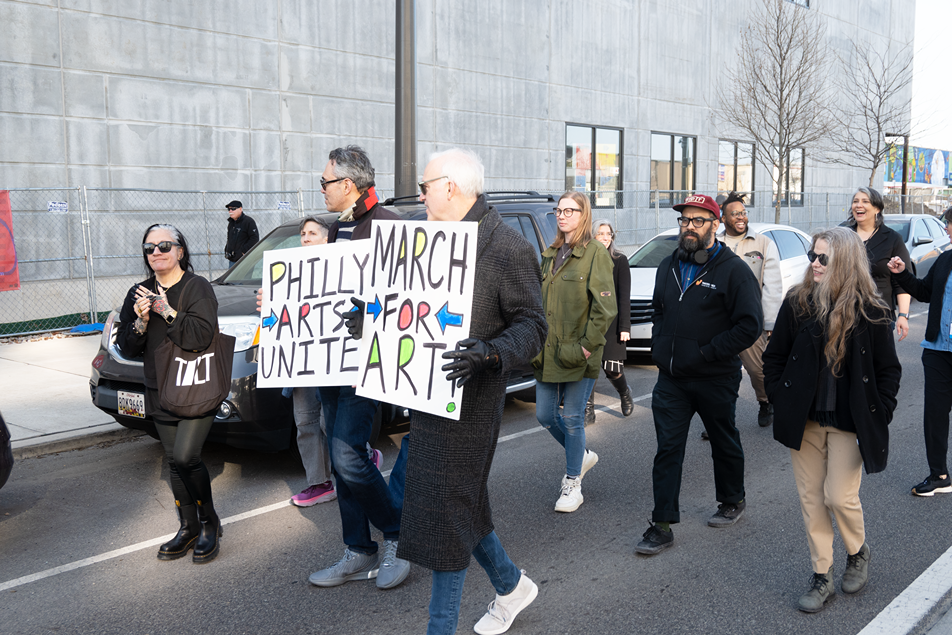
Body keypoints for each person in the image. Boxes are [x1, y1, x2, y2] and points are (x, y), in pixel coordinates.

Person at [392, 148, 547, 635]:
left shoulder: (508, 248)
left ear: (452, 187)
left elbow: (533, 327)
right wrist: (366, 319)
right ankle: (512, 585)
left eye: (425, 186)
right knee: (462, 504)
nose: (420, 195)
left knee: (445, 513)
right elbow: (401, 308)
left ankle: (441, 628)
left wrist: (491, 352)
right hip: (427, 398)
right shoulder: (423, 242)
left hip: (473, 404)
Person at [764, 227, 901, 613]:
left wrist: (881, 410)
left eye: (824, 257)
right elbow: (773, 358)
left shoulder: (871, 310)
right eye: (813, 256)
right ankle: (821, 576)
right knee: (812, 501)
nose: (815, 263)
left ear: (844, 260)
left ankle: (857, 551)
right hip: (804, 421)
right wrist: (781, 396)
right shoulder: (798, 302)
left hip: (848, 421)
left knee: (838, 496)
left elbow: (888, 371)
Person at [306, 146, 410, 591]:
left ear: (348, 185)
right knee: (340, 455)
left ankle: (397, 535)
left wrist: (370, 315)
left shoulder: (388, 226)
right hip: (329, 360)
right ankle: (358, 547)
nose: (322, 190)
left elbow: (408, 299)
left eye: (326, 182)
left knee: (348, 453)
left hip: (366, 363)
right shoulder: (337, 229)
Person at [635, 194, 762, 556]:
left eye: (697, 220)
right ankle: (661, 525)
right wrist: (660, 347)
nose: (688, 227)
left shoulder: (733, 270)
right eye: (684, 220)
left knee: (723, 439)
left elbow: (749, 325)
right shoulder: (668, 265)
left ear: (715, 225)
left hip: (714, 376)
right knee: (667, 448)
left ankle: (732, 499)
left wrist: (706, 352)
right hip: (672, 379)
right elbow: (659, 310)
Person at [254, 216, 383, 507]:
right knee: (305, 422)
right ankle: (319, 483)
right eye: (302, 233)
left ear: (329, 239)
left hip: (332, 360)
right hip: (302, 360)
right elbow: (278, 317)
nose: (305, 238)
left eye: (312, 232)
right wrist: (268, 301)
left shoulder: (343, 269)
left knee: (329, 421)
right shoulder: (288, 272)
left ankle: (363, 453)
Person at [116, 224, 224, 563]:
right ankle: (187, 526)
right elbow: (127, 347)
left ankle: (209, 522)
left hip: (196, 385)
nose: (156, 252)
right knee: (173, 463)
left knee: (186, 457)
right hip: (159, 388)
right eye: (149, 248)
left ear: (180, 251)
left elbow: (200, 337)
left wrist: (165, 311)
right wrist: (140, 322)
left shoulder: (197, 287)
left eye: (165, 245)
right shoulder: (138, 292)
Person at [533, 192, 617, 513]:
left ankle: (572, 483)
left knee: (572, 418)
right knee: (544, 414)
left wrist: (585, 346)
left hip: (580, 351)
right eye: (559, 210)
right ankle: (580, 455)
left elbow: (604, 307)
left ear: (584, 214)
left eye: (570, 210)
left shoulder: (596, 253)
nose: (562, 215)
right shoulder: (549, 253)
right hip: (548, 351)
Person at [888, 206, 952, 496]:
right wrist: (903, 274)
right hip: (938, 349)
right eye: (948, 224)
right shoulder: (945, 260)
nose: (948, 230)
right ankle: (938, 474)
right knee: (935, 414)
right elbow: (924, 292)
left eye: (949, 224)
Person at [720, 192, 783, 428]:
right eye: (734, 213)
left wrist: (769, 324)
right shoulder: (716, 242)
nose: (741, 217)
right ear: (723, 218)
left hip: (749, 319)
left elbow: (773, 286)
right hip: (719, 320)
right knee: (720, 373)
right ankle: (719, 418)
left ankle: (766, 402)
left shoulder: (763, 243)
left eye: (743, 213)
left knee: (758, 370)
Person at [846, 187, 911, 341]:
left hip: (879, 314)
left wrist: (903, 315)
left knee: (878, 363)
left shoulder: (892, 239)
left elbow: (903, 282)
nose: (858, 205)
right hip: (844, 311)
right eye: (855, 201)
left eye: (865, 201)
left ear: (877, 209)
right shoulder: (843, 235)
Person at [587, 220, 633, 424]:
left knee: (612, 368)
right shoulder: (585, 259)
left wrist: (625, 327)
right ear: (592, 236)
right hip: (589, 321)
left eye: (609, 234)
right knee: (587, 368)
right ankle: (588, 410)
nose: (606, 238)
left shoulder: (620, 260)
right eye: (601, 233)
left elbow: (624, 296)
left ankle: (624, 393)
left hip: (613, 323)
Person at [224, 200, 258, 265]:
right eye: (229, 209)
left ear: (240, 209)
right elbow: (229, 239)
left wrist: (243, 251)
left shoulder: (248, 221)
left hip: (244, 259)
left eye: (233, 209)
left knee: (245, 275)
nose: (230, 211)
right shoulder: (231, 223)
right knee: (233, 275)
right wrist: (227, 249)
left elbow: (254, 239)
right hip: (232, 259)